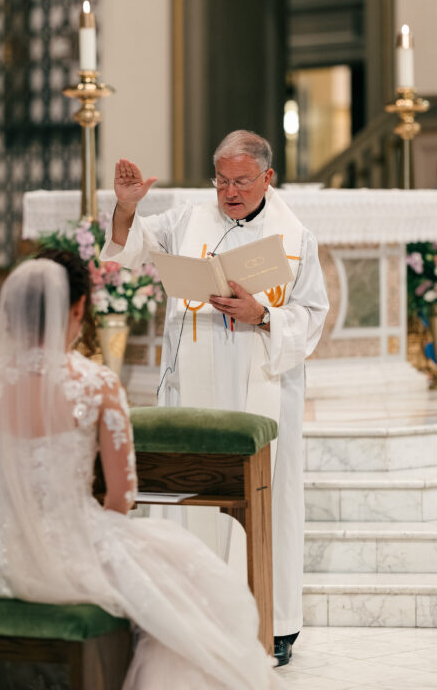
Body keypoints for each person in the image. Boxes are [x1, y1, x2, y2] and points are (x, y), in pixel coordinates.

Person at [0, 254, 280, 690]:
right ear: (78, 308)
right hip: (72, 543)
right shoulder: (95, 382)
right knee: (186, 594)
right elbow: (122, 493)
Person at [101, 130, 329, 667]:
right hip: (196, 385)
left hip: (262, 384)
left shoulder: (296, 236)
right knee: (196, 498)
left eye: (242, 181)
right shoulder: (186, 219)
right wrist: (126, 207)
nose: (229, 192)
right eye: (222, 180)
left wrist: (263, 315)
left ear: (267, 178)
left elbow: (313, 315)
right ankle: (196, 615)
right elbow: (129, 249)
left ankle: (271, 626)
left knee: (267, 500)